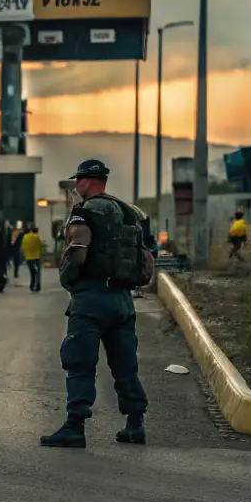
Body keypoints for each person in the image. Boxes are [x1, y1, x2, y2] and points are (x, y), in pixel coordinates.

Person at [41, 159, 153, 449]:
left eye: (79, 180)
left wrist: (69, 281)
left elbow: (77, 250)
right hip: (122, 300)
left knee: (80, 363)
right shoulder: (130, 212)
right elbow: (148, 256)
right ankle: (134, 425)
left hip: (91, 298)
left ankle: (74, 427)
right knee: (125, 366)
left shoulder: (85, 212)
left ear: (87, 181)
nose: (77, 186)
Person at [22, 225, 43, 291]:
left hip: (28, 258)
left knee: (32, 272)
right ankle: (37, 285)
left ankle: (32, 285)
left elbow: (23, 247)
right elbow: (39, 246)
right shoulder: (36, 237)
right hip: (36, 257)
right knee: (37, 272)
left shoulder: (25, 237)